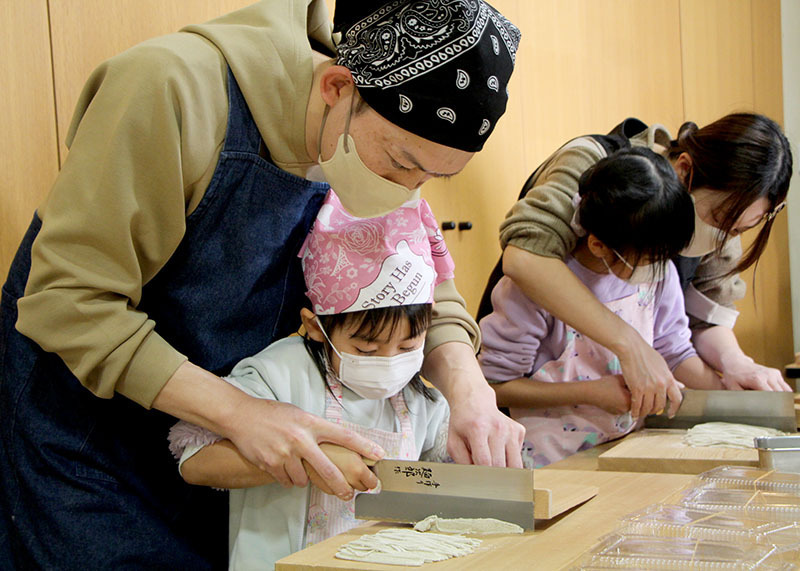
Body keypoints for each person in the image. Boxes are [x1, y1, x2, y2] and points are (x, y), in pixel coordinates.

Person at [0, 1, 523, 567]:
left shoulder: (378, 145)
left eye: (431, 176)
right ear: (335, 87)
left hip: (230, 443)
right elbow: (68, 301)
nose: (408, 192)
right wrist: (239, 414)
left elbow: (421, 275)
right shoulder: (171, 88)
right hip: (88, 436)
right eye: (402, 164)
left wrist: (468, 390)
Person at [169, 190, 452, 569]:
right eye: (366, 350)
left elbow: (437, 489)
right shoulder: (278, 375)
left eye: (406, 347)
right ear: (315, 327)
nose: (389, 363)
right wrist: (307, 459)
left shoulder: (422, 401)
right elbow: (195, 461)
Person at [488, 112, 793, 422]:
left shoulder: (667, 271)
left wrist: (735, 365)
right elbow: (526, 257)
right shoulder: (596, 171)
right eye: (718, 220)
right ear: (685, 171)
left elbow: (688, 332)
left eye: (739, 230)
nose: (725, 240)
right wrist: (631, 345)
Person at [479, 148, 725, 468]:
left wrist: (731, 390)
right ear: (598, 245)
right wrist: (591, 393)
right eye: (650, 260)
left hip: (622, 452)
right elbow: (494, 388)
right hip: (552, 465)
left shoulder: (659, 270)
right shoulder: (536, 289)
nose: (659, 269)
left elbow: (673, 350)